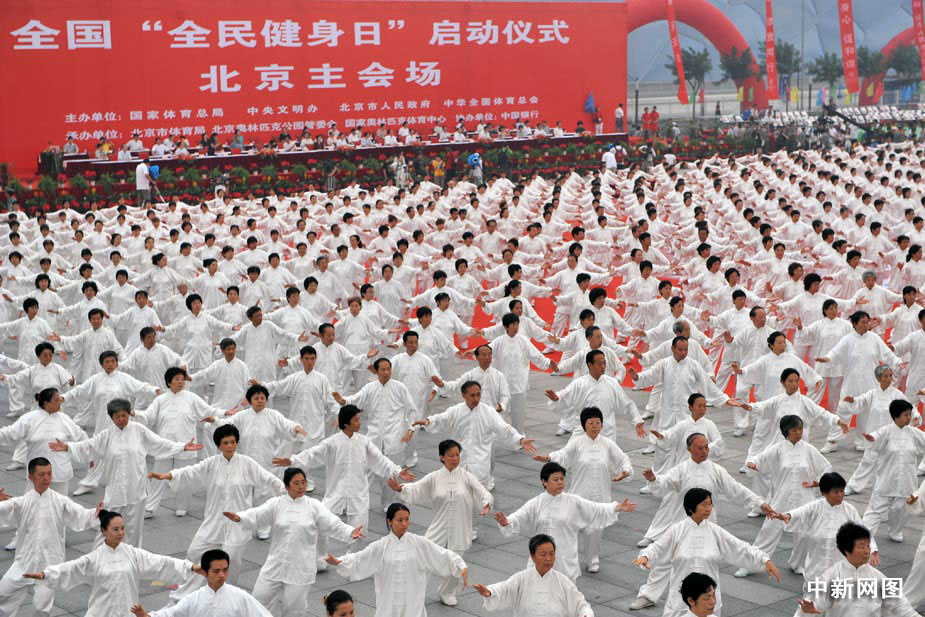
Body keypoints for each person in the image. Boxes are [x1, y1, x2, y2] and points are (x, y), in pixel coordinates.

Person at [147, 424, 286, 600]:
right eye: (226, 443)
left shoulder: (247, 464)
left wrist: (286, 491)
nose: (230, 446)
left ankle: (228, 596)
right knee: (195, 552)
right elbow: (191, 472)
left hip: (237, 524)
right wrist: (169, 475)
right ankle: (187, 594)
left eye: (233, 442)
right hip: (214, 521)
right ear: (219, 445)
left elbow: (268, 479)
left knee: (231, 561)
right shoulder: (212, 463)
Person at [49, 398, 202, 547]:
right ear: (111, 418)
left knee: (134, 529)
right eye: (117, 417)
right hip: (116, 489)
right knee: (109, 524)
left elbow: (159, 443)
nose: (122, 419)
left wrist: (182, 447)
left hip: (137, 489)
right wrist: (68, 447)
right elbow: (89, 446)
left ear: (129, 414)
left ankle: (133, 556)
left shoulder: (139, 430)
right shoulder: (107, 435)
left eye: (124, 415)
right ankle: (102, 555)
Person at [272, 405, 414, 565]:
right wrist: (292, 460)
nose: (360, 422)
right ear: (346, 423)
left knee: (360, 531)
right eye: (356, 420)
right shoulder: (332, 443)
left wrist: (397, 471)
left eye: (359, 419)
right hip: (335, 493)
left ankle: (352, 561)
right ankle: (320, 559)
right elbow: (312, 454)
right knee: (320, 525)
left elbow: (380, 460)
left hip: (358, 494)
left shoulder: (364, 442)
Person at [221, 467, 364, 616]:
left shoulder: (314, 506)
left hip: (300, 568)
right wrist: (240, 517)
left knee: (294, 609)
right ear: (287, 486)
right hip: (275, 564)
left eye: (303, 482)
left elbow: (332, 523)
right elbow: (257, 514)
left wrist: (350, 531)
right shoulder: (277, 504)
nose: (301, 486)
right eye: (296, 483)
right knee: (259, 601)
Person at [632, 488, 780, 617]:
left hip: (707, 599)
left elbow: (740, 547)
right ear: (691, 508)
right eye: (704, 504)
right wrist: (645, 556)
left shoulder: (715, 531)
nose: (708, 508)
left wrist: (764, 560)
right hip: (681, 599)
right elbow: (658, 547)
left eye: (710, 504)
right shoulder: (677, 530)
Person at [24, 509, 201, 616]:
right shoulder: (95, 558)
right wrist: (46, 574)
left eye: (122, 528)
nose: (120, 533)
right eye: (115, 529)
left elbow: (161, 562)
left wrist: (190, 567)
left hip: (127, 610)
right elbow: (71, 568)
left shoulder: (133, 554)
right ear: (104, 531)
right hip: (102, 612)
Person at [388, 439, 491, 606]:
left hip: (460, 528)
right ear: (442, 457)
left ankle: (446, 591)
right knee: (425, 559)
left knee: (456, 564)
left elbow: (483, 492)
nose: (455, 459)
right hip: (439, 527)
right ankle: (415, 593)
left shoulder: (466, 477)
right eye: (451, 455)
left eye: (457, 455)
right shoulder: (434, 477)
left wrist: (486, 503)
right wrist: (400, 488)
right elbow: (416, 489)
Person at [495, 462, 635, 581]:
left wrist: (616, 507)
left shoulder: (573, 501)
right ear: (544, 482)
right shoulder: (536, 503)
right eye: (555, 479)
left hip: (565, 557)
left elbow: (595, 509)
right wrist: (506, 522)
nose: (560, 482)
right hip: (541, 557)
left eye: (562, 479)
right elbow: (519, 517)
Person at [533, 407, 633, 573]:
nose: (594, 426)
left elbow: (623, 458)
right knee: (568, 528)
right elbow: (563, 455)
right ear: (584, 425)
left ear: (602, 424)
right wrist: (549, 457)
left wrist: (626, 470)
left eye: (597, 423)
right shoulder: (577, 443)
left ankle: (592, 559)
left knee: (595, 530)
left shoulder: (607, 444)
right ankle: (563, 558)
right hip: (579, 494)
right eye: (591, 423)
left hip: (600, 495)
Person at [325, 503, 467, 617]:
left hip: (412, 604)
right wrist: (339, 561)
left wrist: (459, 564)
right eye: (400, 520)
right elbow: (360, 559)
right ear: (390, 521)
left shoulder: (419, 543)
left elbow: (441, 554)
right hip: (389, 605)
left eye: (407, 519)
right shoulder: (381, 546)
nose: (404, 524)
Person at [0, 457, 101, 617]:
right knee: (3, 594)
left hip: (49, 564)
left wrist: (96, 513)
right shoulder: (22, 502)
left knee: (41, 608)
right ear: (31, 477)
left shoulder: (60, 501)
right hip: (24, 561)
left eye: (49, 473)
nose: (46, 478)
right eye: (41, 474)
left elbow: (81, 514)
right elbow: (4, 509)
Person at [736, 415, 831, 577]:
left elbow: (826, 468)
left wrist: (819, 483)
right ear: (786, 431)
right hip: (782, 497)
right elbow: (758, 459)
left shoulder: (809, 449)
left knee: (805, 533)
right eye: (794, 430)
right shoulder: (778, 449)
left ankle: (798, 563)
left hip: (804, 497)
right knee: (769, 530)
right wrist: (752, 464)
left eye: (800, 429)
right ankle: (753, 563)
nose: (798, 433)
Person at [136, 367, 231, 517]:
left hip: (187, 444)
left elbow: (208, 410)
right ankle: (150, 507)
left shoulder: (191, 398)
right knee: (159, 476)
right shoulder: (160, 400)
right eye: (177, 379)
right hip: (165, 445)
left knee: (185, 476)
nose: (181, 382)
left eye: (182, 379)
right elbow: (148, 416)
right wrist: (134, 413)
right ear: (169, 382)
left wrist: (224, 413)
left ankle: (182, 505)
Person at [413, 380, 536, 490]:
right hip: (460, 462)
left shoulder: (488, 412)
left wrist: (520, 439)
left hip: (480, 464)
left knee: (479, 498)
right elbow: (442, 418)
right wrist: (428, 421)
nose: (476, 399)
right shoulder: (456, 411)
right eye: (472, 395)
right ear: (463, 395)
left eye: (478, 395)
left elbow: (505, 429)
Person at [798, 522, 920, 615]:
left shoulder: (879, 578)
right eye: (862, 547)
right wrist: (808, 610)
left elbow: (901, 606)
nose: (867, 551)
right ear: (846, 549)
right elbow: (813, 602)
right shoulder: (830, 576)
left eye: (868, 546)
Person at [473, 534, 594, 617]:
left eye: (552, 554)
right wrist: (490, 592)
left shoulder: (563, 582)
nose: (548, 558)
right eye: (543, 554)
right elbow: (505, 588)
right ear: (532, 556)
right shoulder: (521, 578)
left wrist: (586, 614)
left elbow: (581, 605)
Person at [129, 549, 273, 617]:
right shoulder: (194, 598)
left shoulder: (240, 596)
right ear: (204, 572)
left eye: (225, 570)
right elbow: (171, 614)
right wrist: (146, 616)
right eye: (216, 571)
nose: (222, 575)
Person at [860, 399, 925, 543]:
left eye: (910, 414)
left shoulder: (914, 433)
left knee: (901, 509)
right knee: (875, 509)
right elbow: (875, 437)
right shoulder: (886, 431)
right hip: (887, 478)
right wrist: (871, 439)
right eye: (905, 415)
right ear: (896, 416)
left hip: (907, 480)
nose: (909, 418)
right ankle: (863, 535)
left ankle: (895, 530)